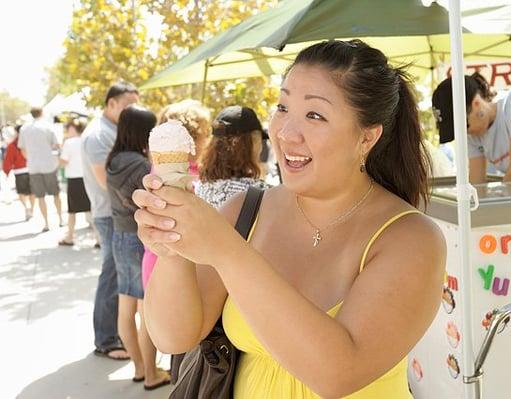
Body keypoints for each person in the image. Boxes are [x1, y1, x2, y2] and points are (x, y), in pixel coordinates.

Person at [134, 39, 445, 398]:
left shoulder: (411, 238)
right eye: (282, 107)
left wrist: (226, 251)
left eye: (315, 115)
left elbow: (337, 374)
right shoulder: (245, 211)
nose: (284, 133)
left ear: (367, 136)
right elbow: (173, 336)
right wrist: (173, 250)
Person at [105, 105, 170, 390]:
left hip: (118, 236)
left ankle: (140, 368)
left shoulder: (114, 159)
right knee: (146, 312)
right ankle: (152, 375)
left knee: (125, 307)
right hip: (138, 240)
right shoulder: (141, 165)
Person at [81, 82, 139, 361]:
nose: (133, 110)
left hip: (116, 214)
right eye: (129, 104)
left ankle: (113, 335)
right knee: (112, 276)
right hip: (109, 214)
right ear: (112, 103)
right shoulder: (98, 135)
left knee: (117, 276)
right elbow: (109, 183)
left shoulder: (112, 130)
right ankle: (106, 339)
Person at [141, 99, 212, 289]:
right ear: (194, 137)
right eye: (206, 134)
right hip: (170, 261)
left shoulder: (159, 169)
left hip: (156, 258)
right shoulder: (187, 176)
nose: (208, 139)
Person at [18, 107, 63, 231]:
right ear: (42, 113)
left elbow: (22, 149)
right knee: (56, 194)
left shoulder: (24, 128)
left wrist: (31, 158)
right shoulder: (48, 126)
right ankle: (60, 219)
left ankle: (46, 223)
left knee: (40, 197)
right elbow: (57, 145)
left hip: (33, 166)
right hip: (49, 165)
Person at [58, 118, 91, 246]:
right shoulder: (87, 140)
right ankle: (100, 240)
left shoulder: (69, 142)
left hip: (74, 179)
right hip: (88, 178)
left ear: (73, 128)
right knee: (91, 208)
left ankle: (70, 237)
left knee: (72, 211)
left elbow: (63, 162)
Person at [2, 125, 35, 220]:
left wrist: (6, 171)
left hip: (19, 171)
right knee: (32, 192)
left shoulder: (12, 145)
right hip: (31, 169)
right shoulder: (30, 142)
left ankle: (27, 208)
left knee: (21, 193)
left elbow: (8, 160)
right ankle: (31, 209)